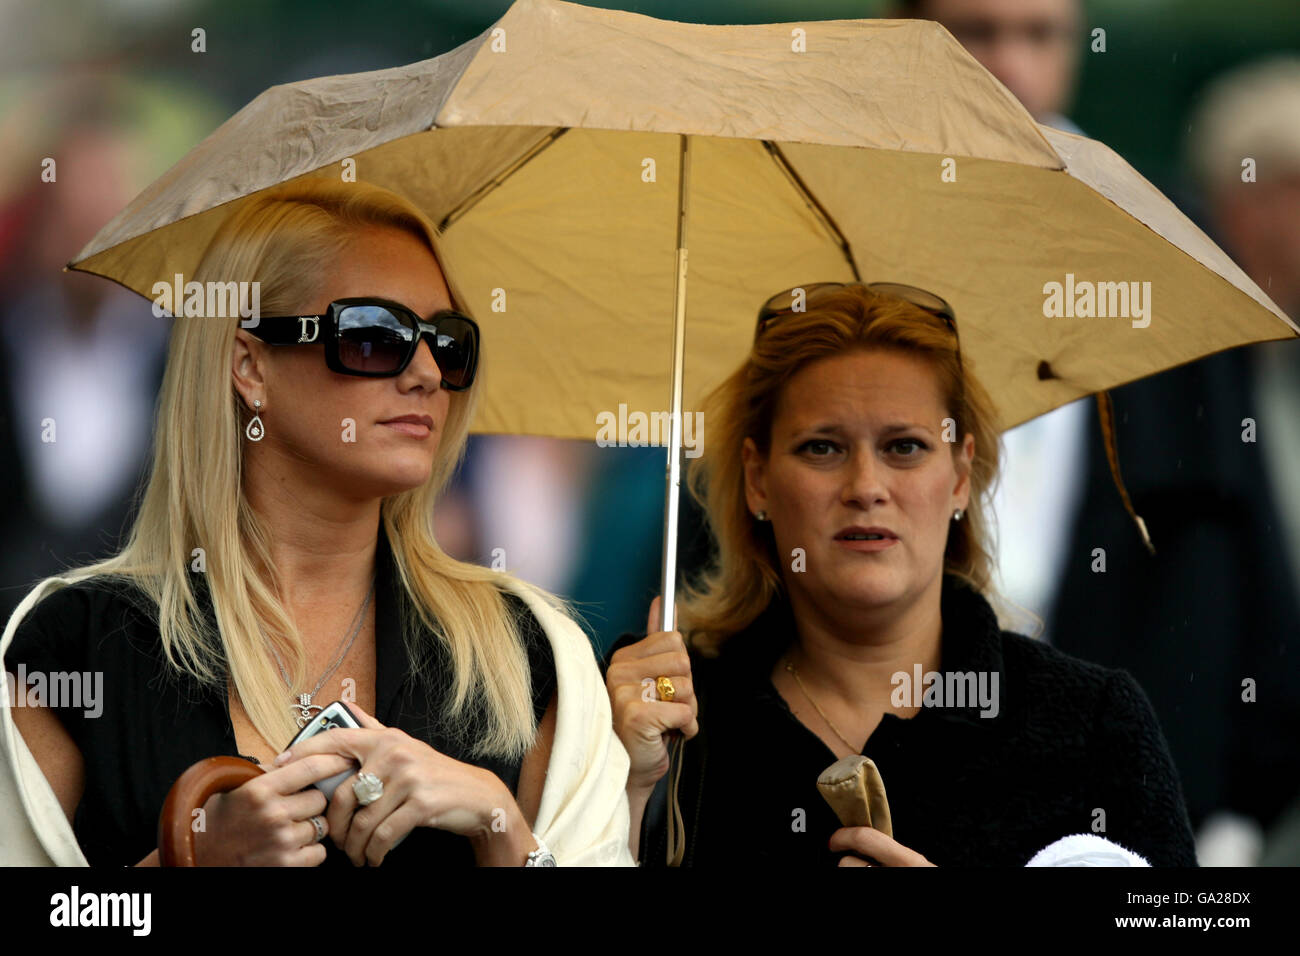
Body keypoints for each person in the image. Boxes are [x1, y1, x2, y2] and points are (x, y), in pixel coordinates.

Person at [0, 180, 632, 867]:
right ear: (250, 365)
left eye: (447, 344)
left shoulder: (529, 653)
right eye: (373, 337)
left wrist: (501, 828)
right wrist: (188, 859)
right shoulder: (78, 642)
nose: (425, 372)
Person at [606, 282, 1197, 866]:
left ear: (961, 475)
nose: (865, 487)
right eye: (821, 448)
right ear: (758, 479)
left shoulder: (1093, 724)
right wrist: (626, 792)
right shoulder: (663, 713)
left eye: (905, 447)